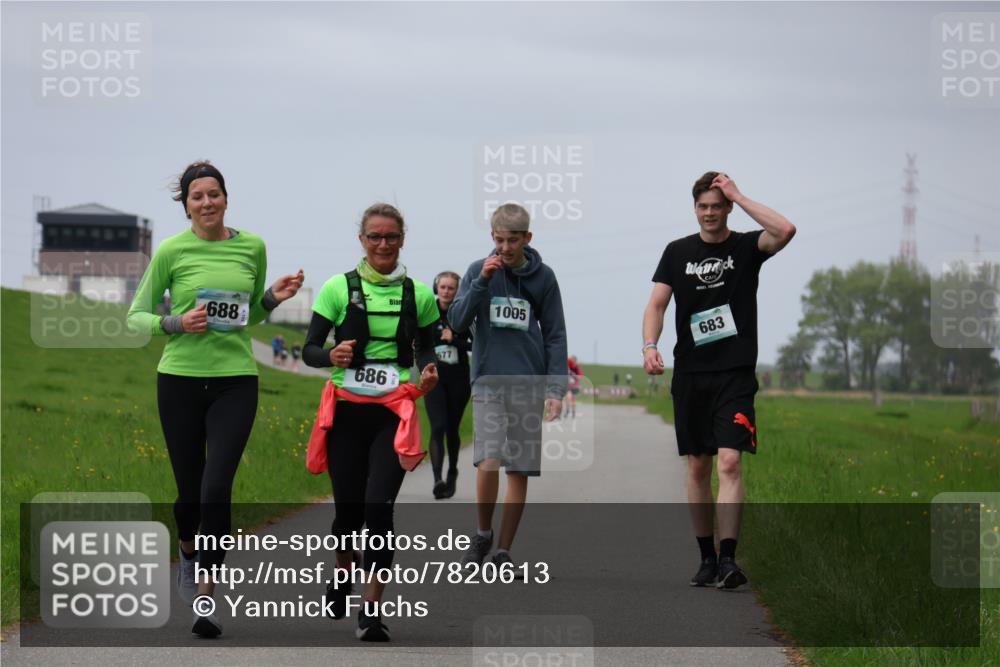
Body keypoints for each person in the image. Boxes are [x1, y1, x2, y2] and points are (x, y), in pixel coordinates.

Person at [127, 160, 304, 638]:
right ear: (186, 205)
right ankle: (188, 552)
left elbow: (248, 318)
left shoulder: (252, 246)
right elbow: (136, 315)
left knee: (216, 488)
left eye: (214, 194)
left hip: (235, 381)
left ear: (226, 198)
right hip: (180, 380)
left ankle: (206, 596)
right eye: (197, 196)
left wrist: (272, 298)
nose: (207, 202)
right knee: (189, 497)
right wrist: (175, 322)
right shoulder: (172, 250)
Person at [642, 171, 795, 590]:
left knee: (729, 461)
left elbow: (785, 230)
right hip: (691, 373)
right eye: (703, 206)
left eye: (716, 205)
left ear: (727, 208)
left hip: (735, 374)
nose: (709, 213)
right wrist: (650, 345)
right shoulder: (677, 252)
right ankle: (706, 558)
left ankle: (729, 559)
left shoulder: (746, 247)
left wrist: (739, 194)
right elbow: (656, 304)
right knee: (698, 466)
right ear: (695, 209)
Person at [303, 202, 439, 642]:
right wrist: (331, 355)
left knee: (378, 509)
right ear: (362, 240)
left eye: (391, 237)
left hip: (391, 415)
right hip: (346, 413)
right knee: (348, 514)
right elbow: (309, 350)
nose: (383, 244)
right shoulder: (337, 288)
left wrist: (429, 371)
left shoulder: (419, 295)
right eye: (375, 237)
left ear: (403, 240)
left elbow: (428, 347)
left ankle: (371, 610)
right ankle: (343, 571)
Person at [448, 202, 567, 571]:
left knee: (518, 469)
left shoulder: (544, 277)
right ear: (492, 237)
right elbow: (457, 321)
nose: (505, 248)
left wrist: (555, 389)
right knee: (489, 458)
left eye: (512, 241)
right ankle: (482, 533)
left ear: (527, 238)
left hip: (528, 383)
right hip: (488, 380)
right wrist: (482, 281)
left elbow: (555, 335)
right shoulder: (476, 270)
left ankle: (503, 551)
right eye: (499, 240)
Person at [426, 271, 473, 500]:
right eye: (443, 287)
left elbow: (476, 344)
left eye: (451, 288)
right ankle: (437, 479)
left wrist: (454, 339)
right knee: (437, 426)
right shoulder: (427, 312)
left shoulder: (463, 314)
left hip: (458, 379)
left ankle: (452, 471)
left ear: (457, 291)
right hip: (433, 379)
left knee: (452, 428)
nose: (446, 291)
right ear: (436, 288)